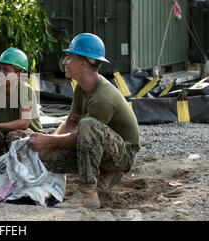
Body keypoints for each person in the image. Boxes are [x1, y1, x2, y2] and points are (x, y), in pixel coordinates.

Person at [28, 33, 140, 209]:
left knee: (87, 125)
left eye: (69, 57)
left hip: (122, 154)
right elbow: (71, 121)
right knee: (44, 158)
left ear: (83, 63)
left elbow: (83, 135)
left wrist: (49, 140)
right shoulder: (82, 87)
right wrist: (48, 146)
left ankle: (88, 193)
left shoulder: (103, 98)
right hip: (97, 145)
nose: (64, 62)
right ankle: (102, 174)